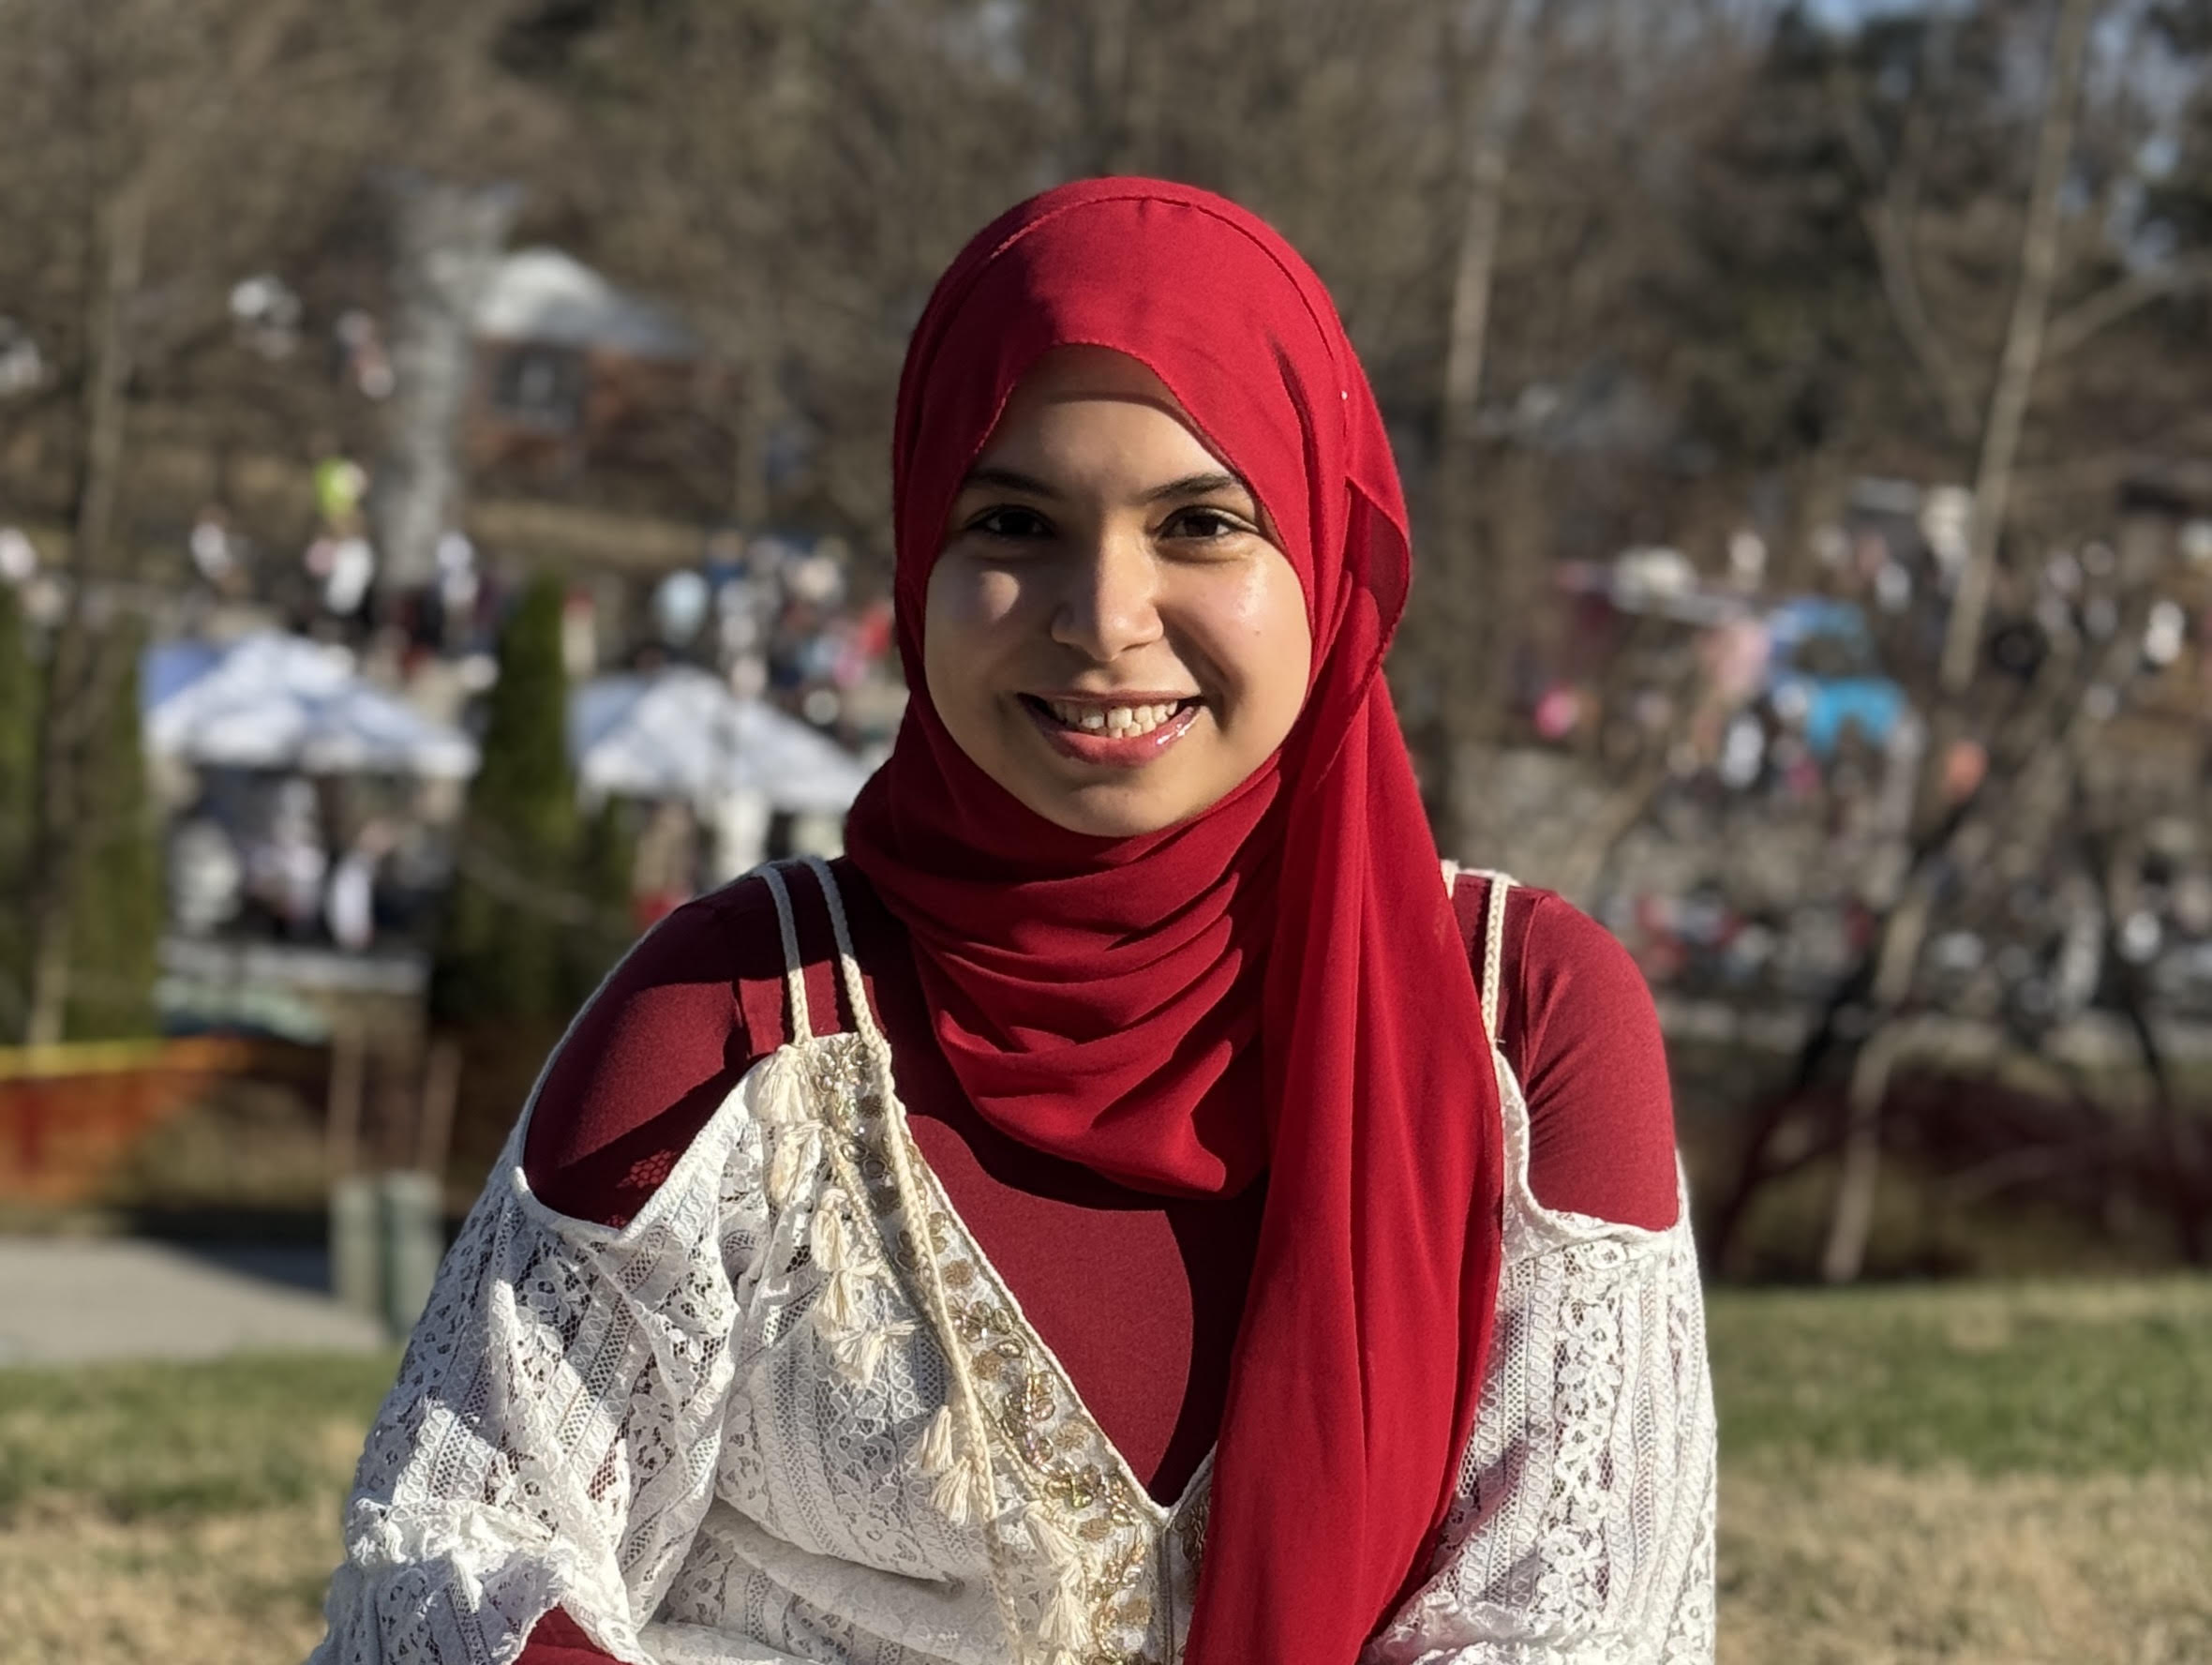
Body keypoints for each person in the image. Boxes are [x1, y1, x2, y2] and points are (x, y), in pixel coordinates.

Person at [311, 179, 1714, 1665]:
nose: (1102, 617)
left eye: (1201, 524)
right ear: (921, 554)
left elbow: (1578, 1629)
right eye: (1016, 522)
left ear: (1329, 558)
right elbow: (452, 1557)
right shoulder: (740, 1017)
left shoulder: (1522, 1026)